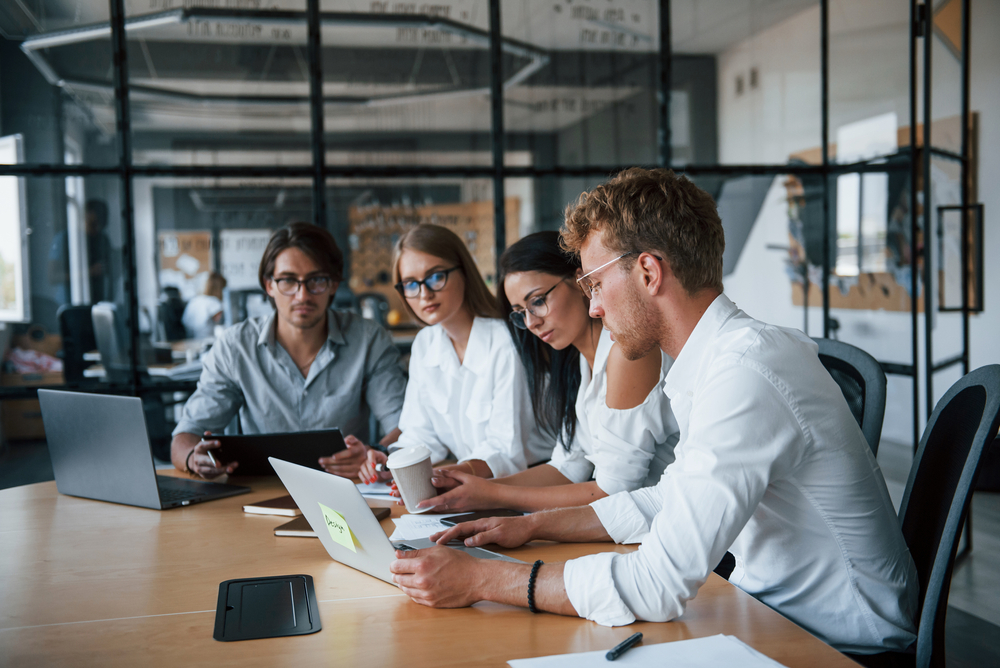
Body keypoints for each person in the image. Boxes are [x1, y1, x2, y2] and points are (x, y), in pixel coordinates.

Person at [386, 168, 919, 657]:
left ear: (647, 272)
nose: (593, 305)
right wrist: (531, 527)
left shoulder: (745, 373)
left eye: (594, 283)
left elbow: (658, 583)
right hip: (771, 613)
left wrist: (482, 581)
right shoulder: (718, 361)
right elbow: (671, 498)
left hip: (839, 643)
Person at [410, 231, 678, 513]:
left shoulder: (627, 353)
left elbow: (613, 491)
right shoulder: (577, 365)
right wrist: (467, 484)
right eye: (520, 311)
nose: (532, 322)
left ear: (581, 283)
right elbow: (568, 465)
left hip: (672, 533)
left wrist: (491, 494)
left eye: (537, 301)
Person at [171, 222, 407, 479]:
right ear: (269, 285)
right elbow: (184, 438)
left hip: (345, 489)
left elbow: (405, 428)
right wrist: (193, 457)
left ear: (334, 284)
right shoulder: (235, 346)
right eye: (288, 281)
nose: (302, 295)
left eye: (316, 280)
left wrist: (377, 452)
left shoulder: (369, 340)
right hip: (257, 494)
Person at [358, 224, 551, 487]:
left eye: (436, 277)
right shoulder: (425, 344)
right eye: (411, 284)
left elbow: (505, 451)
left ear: (464, 272)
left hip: (532, 483)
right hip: (471, 483)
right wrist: (390, 462)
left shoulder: (505, 341)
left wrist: (448, 475)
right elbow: (421, 435)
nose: (424, 294)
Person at [49, 199, 115, 305]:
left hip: (98, 302)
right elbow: (53, 277)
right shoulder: (64, 239)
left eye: (101, 225)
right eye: (93, 224)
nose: (97, 229)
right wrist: (89, 272)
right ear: (83, 217)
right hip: (70, 303)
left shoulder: (103, 239)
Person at [182, 272, 227, 339]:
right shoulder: (214, 302)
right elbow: (221, 323)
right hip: (206, 339)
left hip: (188, 340)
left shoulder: (194, 300)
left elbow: (185, 321)